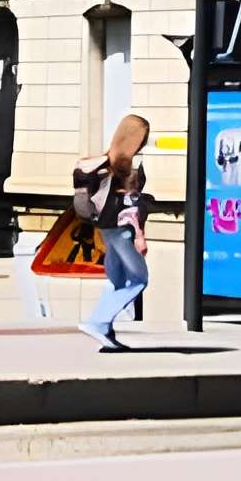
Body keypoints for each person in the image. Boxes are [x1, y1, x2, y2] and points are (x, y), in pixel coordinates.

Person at [71, 112, 154, 353]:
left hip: (103, 226)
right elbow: (131, 205)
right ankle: (98, 322)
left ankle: (107, 334)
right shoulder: (127, 166)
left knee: (117, 280)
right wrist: (140, 236)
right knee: (139, 279)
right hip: (123, 230)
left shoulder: (99, 161)